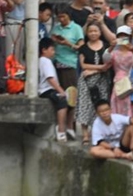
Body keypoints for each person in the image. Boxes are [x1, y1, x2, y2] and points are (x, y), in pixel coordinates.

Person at [50, 5, 84, 138]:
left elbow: (81, 47)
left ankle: (70, 126)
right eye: (59, 17)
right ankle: (61, 126)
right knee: (59, 97)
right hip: (56, 64)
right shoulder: (56, 28)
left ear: (69, 15)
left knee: (71, 96)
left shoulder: (76, 29)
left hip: (69, 65)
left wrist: (68, 43)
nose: (61, 20)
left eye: (63, 17)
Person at [76, 22, 110, 145]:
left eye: (95, 31)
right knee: (84, 105)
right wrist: (99, 67)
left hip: (102, 80)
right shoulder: (83, 48)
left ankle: (99, 134)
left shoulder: (106, 47)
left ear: (100, 32)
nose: (93, 33)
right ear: (87, 33)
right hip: (85, 81)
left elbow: (107, 65)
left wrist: (94, 70)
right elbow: (83, 65)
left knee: (101, 105)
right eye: (90, 31)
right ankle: (85, 134)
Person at [38, 37, 69, 141]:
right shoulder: (45, 61)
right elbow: (50, 78)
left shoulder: (43, 61)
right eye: (52, 49)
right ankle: (61, 131)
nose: (53, 52)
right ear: (44, 50)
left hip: (46, 89)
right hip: (46, 90)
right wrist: (61, 91)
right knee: (62, 102)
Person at [110, 26, 133, 118]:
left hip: (130, 82)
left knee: (130, 106)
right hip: (118, 83)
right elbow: (106, 61)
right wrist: (110, 47)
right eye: (120, 36)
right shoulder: (114, 52)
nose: (122, 39)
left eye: (125, 36)